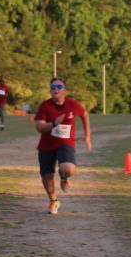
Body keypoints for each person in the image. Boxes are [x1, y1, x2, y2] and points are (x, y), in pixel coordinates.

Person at [34, 77, 91, 214]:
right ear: (50, 90)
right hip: (47, 145)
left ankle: (64, 176)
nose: (56, 89)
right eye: (53, 87)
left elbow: (84, 114)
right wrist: (54, 123)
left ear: (65, 90)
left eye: (59, 87)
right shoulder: (45, 106)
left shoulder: (73, 104)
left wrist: (87, 135)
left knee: (68, 169)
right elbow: (39, 127)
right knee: (47, 176)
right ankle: (53, 201)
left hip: (66, 143)